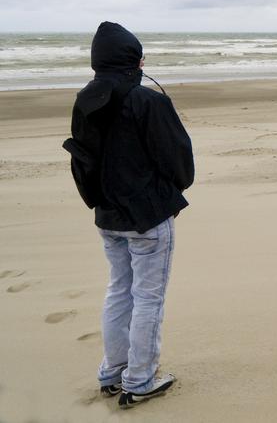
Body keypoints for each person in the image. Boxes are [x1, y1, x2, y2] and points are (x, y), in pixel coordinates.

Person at [63, 22, 194, 409]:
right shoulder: (148, 101)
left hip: (108, 215)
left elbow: (84, 162)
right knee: (147, 297)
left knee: (119, 291)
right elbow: (178, 160)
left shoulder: (84, 99)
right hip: (146, 216)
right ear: (133, 60)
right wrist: (173, 192)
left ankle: (112, 371)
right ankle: (138, 379)